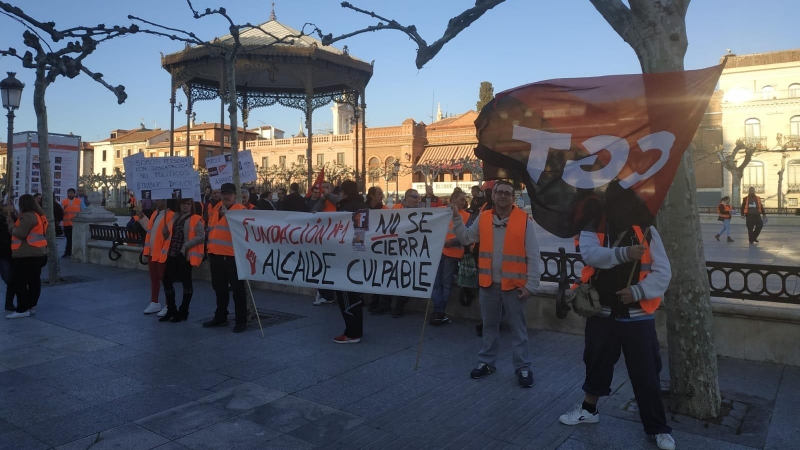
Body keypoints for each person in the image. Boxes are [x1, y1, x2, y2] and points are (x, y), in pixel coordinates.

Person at [558, 186, 675, 450]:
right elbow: (590, 254)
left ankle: (658, 428)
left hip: (637, 316)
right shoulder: (593, 226)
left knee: (646, 373)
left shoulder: (647, 229)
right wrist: (623, 254)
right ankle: (589, 410)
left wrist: (636, 292)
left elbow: (662, 272)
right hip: (601, 312)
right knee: (596, 364)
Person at [450, 180, 539, 388]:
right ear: (493, 196)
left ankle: (523, 367)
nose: (503, 196)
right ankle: (487, 362)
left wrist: (531, 286)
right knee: (489, 327)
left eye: (508, 193)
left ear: (513, 197)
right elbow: (465, 238)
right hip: (488, 284)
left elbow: (534, 256)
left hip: (514, 286)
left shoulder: (524, 220)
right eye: (499, 192)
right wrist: (456, 217)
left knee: (519, 329)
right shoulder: (484, 218)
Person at [204, 183, 248, 333]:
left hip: (233, 256)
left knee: (237, 289)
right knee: (219, 288)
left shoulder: (240, 210)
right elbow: (214, 228)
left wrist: (227, 216)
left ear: (235, 195)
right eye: (224, 193)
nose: (226, 196)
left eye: (229, 193)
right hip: (216, 254)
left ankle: (241, 320)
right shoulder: (216, 208)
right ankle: (221, 316)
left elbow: (242, 231)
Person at [159, 198, 204, 323]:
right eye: (183, 203)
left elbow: (201, 236)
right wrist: (165, 233)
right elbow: (169, 236)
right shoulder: (174, 217)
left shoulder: (195, 218)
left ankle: (184, 310)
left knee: (186, 281)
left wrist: (186, 246)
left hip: (184, 254)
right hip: (172, 252)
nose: (186, 206)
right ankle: (171, 309)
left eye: (188, 204)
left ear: (192, 206)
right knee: (167, 280)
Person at [333, 179, 367, 343]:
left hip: (346, 257)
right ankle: (355, 330)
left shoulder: (346, 209)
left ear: (344, 192)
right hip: (358, 256)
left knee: (346, 295)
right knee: (355, 296)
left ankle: (352, 333)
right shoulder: (361, 206)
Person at [6, 194, 48, 319]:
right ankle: (31, 306)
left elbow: (20, 233)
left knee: (19, 282)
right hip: (39, 253)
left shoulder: (27, 216)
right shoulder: (40, 216)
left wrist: (11, 224)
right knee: (34, 281)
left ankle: (22, 309)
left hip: (27, 254)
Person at [431, 190, 470, 325]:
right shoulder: (440, 211)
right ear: (453, 200)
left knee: (442, 284)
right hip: (440, 252)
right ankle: (439, 311)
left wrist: (452, 242)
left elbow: (468, 237)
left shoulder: (465, 216)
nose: (464, 202)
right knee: (439, 284)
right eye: (461, 199)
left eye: (465, 200)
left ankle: (438, 311)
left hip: (450, 254)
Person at [385, 188, 421, 316]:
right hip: (396, 249)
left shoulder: (424, 212)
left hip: (412, 250)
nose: (417, 199)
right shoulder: (395, 209)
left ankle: (399, 305)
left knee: (407, 277)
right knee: (394, 276)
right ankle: (387, 304)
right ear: (406, 198)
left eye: (418, 196)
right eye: (414, 196)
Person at [137, 198, 173, 315]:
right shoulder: (155, 214)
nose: (156, 201)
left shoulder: (171, 215)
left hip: (162, 253)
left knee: (166, 280)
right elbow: (150, 228)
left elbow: (170, 235)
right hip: (152, 252)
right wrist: (142, 218)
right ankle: (154, 302)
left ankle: (169, 304)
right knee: (154, 278)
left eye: (160, 199)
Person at [365, 187, 393, 315]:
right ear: (371, 195)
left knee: (383, 274)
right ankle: (374, 301)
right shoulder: (362, 209)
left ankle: (384, 303)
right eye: (380, 193)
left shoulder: (386, 210)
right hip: (367, 247)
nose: (382, 196)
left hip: (382, 248)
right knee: (372, 275)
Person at [1, 200, 15, 312]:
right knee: (8, 278)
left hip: (12, 253)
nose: (9, 207)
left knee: (11, 280)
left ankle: (9, 303)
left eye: (11, 205)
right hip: (3, 253)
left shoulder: (15, 218)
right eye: (6, 205)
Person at [61, 188, 82, 257]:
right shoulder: (64, 202)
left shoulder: (79, 201)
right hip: (66, 224)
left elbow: (83, 211)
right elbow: (61, 212)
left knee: (73, 239)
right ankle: (68, 252)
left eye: (72, 193)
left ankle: (71, 252)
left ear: (74, 194)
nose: (70, 194)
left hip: (75, 224)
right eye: (69, 193)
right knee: (68, 239)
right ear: (67, 194)